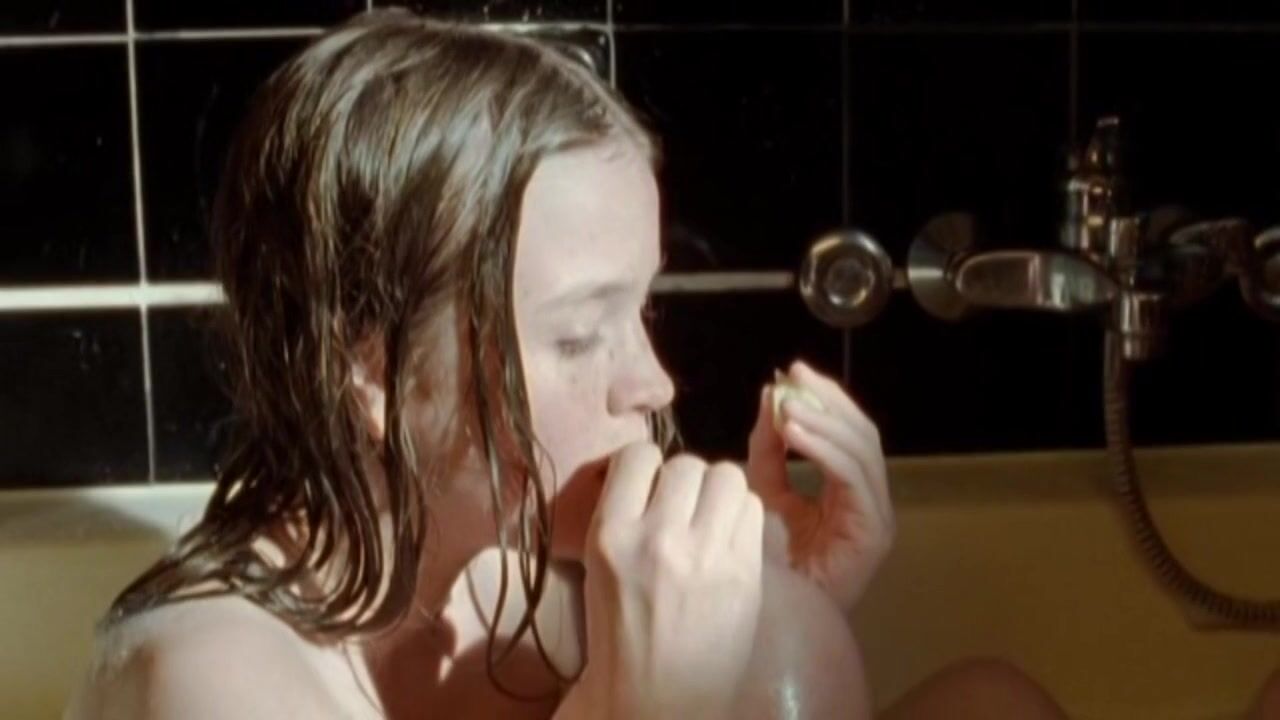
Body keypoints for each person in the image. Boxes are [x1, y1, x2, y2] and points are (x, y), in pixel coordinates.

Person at [66, 9, 1065, 719]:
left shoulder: (499, 579)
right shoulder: (211, 681)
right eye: (581, 334)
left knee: (992, 705)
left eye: (642, 310)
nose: (654, 385)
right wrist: (650, 706)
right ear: (369, 375)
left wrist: (790, 604)